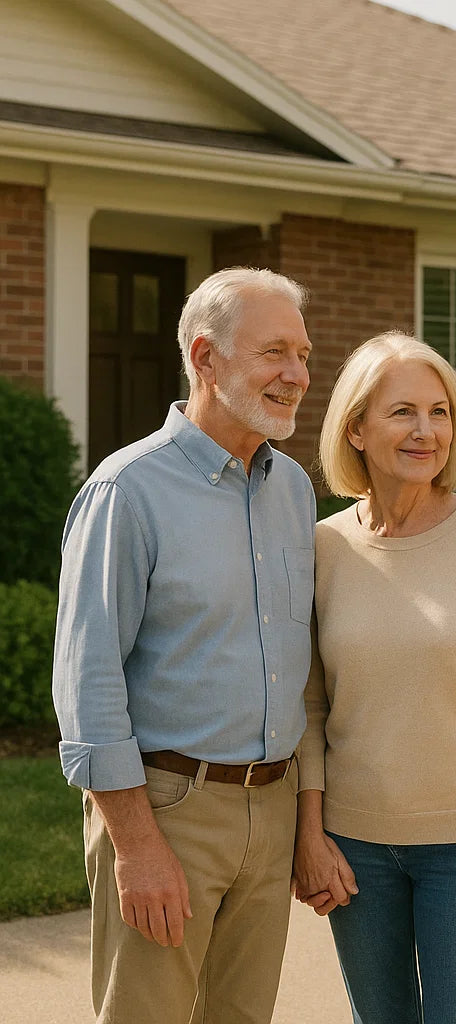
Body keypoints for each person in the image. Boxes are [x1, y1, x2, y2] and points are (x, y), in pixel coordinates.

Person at [52, 267, 316, 1024]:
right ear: (205, 357)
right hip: (167, 808)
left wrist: (298, 823)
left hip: (271, 807)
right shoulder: (126, 491)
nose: (296, 375)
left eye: (302, 355)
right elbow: (88, 682)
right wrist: (135, 847)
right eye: (274, 354)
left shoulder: (293, 489)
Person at [291, 331, 456, 1024]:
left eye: (441, 413)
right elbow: (311, 709)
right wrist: (310, 837)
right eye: (403, 411)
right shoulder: (324, 547)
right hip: (354, 853)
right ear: (355, 428)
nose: (427, 430)